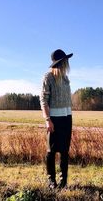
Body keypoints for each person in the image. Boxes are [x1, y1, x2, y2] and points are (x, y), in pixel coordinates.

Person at [40, 49, 73, 189]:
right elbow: (43, 99)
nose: (67, 63)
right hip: (53, 118)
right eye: (65, 61)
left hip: (67, 118)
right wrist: (47, 119)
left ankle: (63, 182)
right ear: (61, 62)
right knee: (51, 151)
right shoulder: (48, 77)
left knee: (65, 150)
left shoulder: (66, 78)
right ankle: (51, 181)